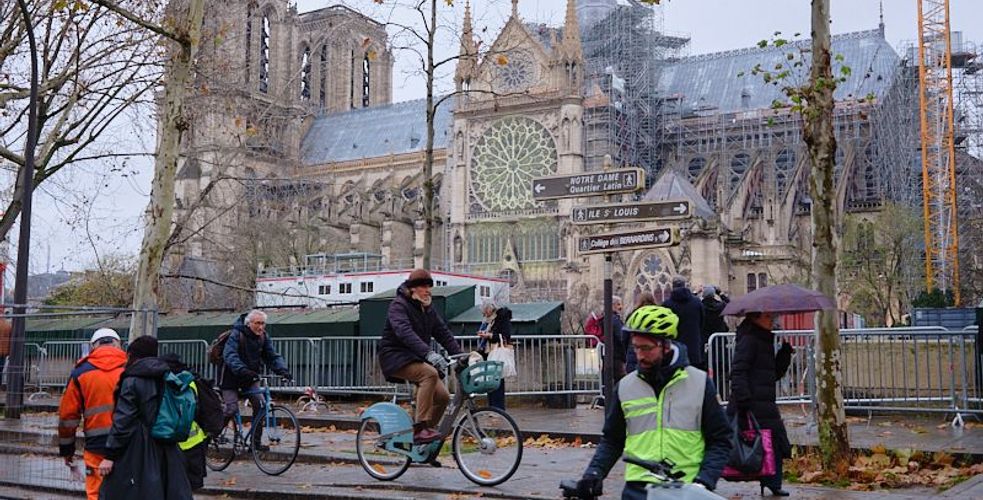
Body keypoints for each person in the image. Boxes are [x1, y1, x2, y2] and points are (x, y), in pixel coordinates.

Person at [574, 306, 732, 500]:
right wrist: (594, 473)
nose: (639, 355)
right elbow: (612, 439)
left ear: (665, 345)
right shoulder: (625, 386)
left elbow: (721, 439)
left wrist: (705, 480)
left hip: (687, 488)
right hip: (638, 489)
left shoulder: (698, 382)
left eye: (646, 348)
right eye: (636, 347)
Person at [98, 336, 192, 500]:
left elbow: (123, 420)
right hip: (167, 446)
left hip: (138, 447)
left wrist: (110, 455)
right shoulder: (167, 376)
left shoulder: (132, 379)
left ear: (133, 355)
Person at [379, 268, 464, 443]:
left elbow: (442, 332)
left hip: (415, 357)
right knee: (429, 374)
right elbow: (404, 332)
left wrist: (461, 354)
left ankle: (425, 441)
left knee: (442, 397)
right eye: (423, 287)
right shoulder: (399, 305)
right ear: (412, 289)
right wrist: (428, 353)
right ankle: (420, 429)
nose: (428, 290)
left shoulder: (427, 308)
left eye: (429, 286)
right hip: (395, 357)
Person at [728, 312, 794, 497]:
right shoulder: (749, 340)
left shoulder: (763, 340)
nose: (772, 320)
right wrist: (743, 401)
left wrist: (784, 354)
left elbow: (770, 374)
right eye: (768, 317)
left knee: (774, 444)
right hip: (749, 403)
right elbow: (738, 371)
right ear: (756, 318)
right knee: (751, 443)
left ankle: (773, 482)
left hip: (764, 402)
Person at [57, 328, 127, 500]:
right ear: (118, 344)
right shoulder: (131, 368)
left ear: (93, 346)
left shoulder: (80, 372)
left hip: (96, 446)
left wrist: (67, 450)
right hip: (128, 443)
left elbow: (68, 417)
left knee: (95, 492)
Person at [220, 309, 291, 452]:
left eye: (263, 323)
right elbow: (230, 355)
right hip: (231, 379)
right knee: (231, 408)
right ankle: (212, 433)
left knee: (261, 405)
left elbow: (272, 356)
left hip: (250, 378)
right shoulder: (236, 334)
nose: (261, 327)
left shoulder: (263, 337)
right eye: (257, 323)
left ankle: (255, 443)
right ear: (249, 323)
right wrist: (242, 370)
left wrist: (283, 370)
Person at [160, 352, 209, 491]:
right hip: (194, 441)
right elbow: (198, 411)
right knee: (190, 487)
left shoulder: (161, 382)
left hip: (170, 442)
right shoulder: (191, 381)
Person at [662, 277, 707, 371]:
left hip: (673, 351)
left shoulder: (666, 305)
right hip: (694, 350)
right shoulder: (697, 303)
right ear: (685, 285)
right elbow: (702, 323)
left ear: (672, 286)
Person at [477, 300, 512, 410]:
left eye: (485, 311)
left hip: (496, 351)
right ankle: (492, 406)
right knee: (490, 381)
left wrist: (489, 336)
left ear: (489, 309)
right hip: (489, 352)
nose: (484, 314)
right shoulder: (488, 321)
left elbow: (505, 335)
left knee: (497, 381)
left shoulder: (501, 318)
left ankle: (498, 407)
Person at [700, 285, 731, 377]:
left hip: (705, 340)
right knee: (720, 368)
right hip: (720, 341)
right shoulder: (720, 306)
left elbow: (691, 304)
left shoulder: (700, 306)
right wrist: (720, 293)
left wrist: (695, 293)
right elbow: (730, 304)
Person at [624, 292, 657, 373]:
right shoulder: (656, 314)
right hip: (652, 349)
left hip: (634, 350)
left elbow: (625, 336)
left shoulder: (633, 315)